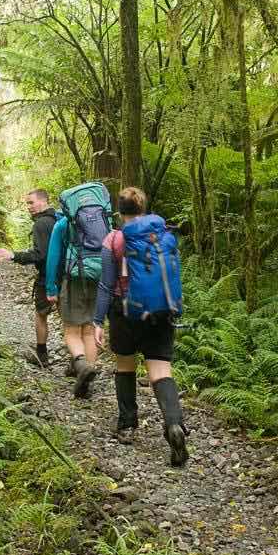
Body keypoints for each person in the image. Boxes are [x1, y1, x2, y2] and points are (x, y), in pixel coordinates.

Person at [93, 187, 188, 466]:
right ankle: (174, 424)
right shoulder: (161, 235)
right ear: (145, 207)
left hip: (125, 312)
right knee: (160, 370)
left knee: (125, 365)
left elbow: (106, 285)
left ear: (119, 211)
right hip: (160, 311)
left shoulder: (114, 240)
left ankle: (127, 425)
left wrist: (98, 321)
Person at [43, 183, 110, 398]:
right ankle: (87, 376)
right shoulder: (105, 221)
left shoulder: (63, 224)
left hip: (74, 279)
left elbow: (53, 258)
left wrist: (51, 287)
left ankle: (81, 366)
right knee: (90, 330)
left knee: (72, 330)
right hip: (99, 278)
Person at [0, 189, 58, 366]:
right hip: (68, 275)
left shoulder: (41, 224)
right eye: (27, 203)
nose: (28, 207)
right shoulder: (60, 220)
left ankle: (41, 355)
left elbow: (40, 255)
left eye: (31, 202)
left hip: (48, 278)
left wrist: (13, 256)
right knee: (69, 321)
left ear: (43, 201)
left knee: (41, 314)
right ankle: (78, 362)